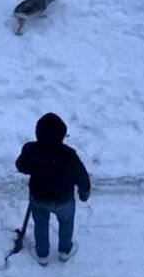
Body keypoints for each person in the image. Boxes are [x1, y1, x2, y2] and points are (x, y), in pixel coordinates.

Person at [15, 112, 91, 265]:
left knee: (41, 224)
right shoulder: (69, 155)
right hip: (63, 200)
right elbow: (81, 176)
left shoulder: (30, 150)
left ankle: (42, 254)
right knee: (66, 223)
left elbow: (21, 166)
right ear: (63, 135)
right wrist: (84, 191)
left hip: (39, 197)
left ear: (37, 133)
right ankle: (65, 250)